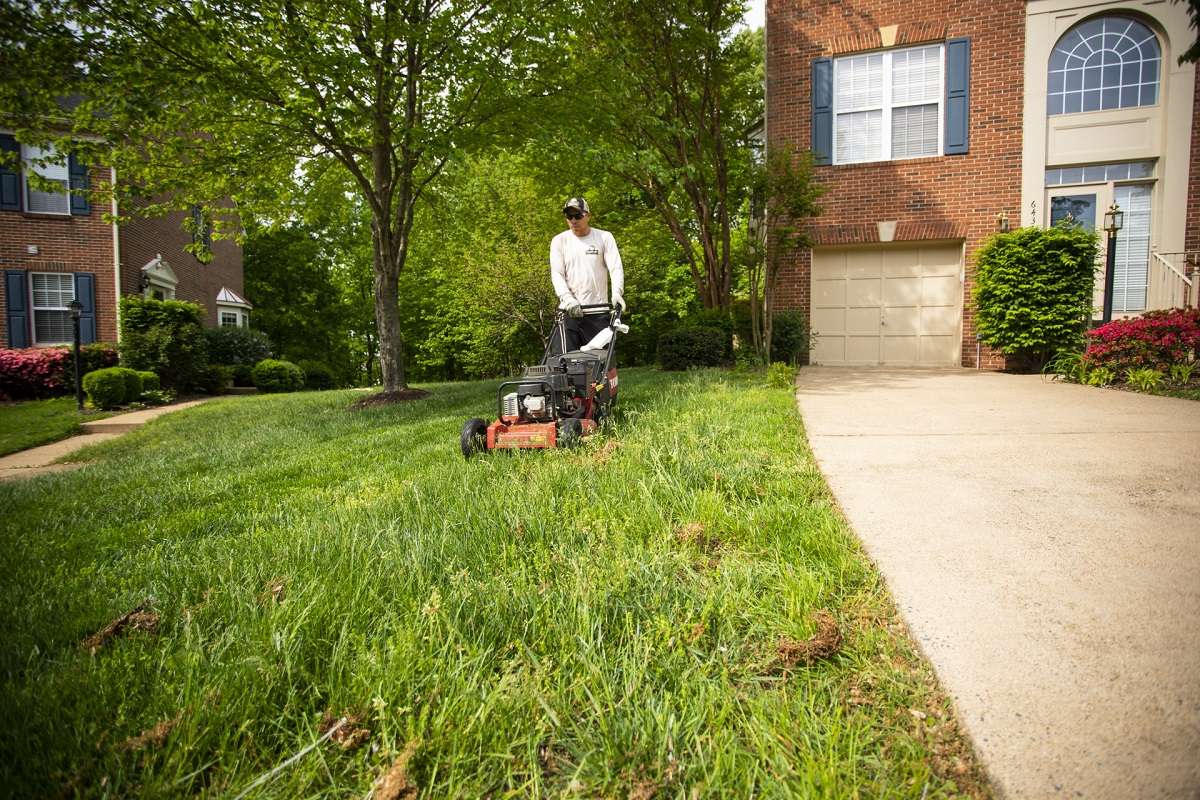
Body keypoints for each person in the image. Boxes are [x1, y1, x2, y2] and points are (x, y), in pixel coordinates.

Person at [550, 196, 624, 353]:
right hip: (569, 311)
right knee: (564, 364)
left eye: (578, 216)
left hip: (598, 312)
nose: (573, 220)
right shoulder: (559, 241)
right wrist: (568, 299)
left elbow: (615, 267)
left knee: (602, 363)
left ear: (588, 216)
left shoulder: (604, 237)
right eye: (569, 216)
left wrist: (617, 293)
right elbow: (557, 274)